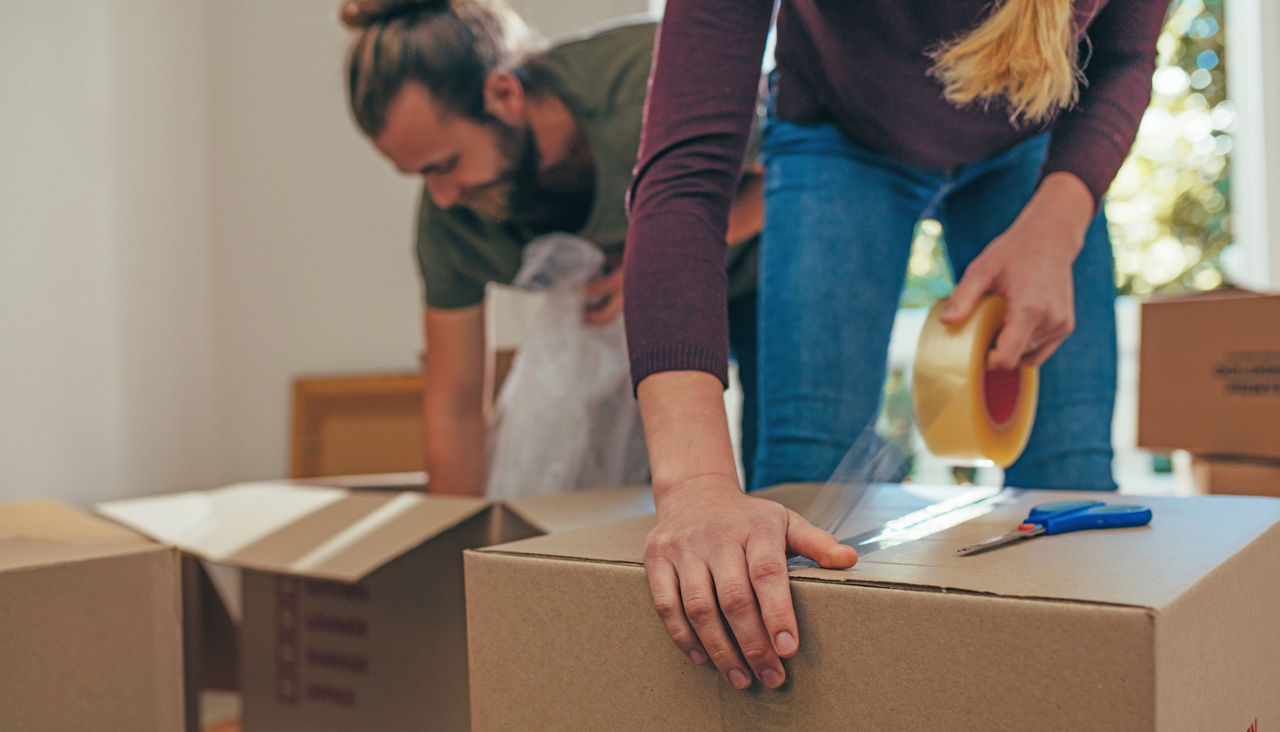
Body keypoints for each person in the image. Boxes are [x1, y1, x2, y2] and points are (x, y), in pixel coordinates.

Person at [623, 0, 1169, 690]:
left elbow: (1122, 57)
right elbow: (686, 174)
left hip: (1038, 134)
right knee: (804, 491)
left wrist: (1061, 220)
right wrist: (695, 484)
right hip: (839, 128)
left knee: (1072, 477)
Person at [340, 0, 763, 495]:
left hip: (754, 274)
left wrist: (654, 267)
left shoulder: (643, 88)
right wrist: (455, 551)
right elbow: (454, 407)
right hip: (632, 336)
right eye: (418, 175)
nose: (443, 195)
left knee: (778, 469)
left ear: (503, 94)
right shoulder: (450, 223)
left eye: (445, 164)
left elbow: (792, 175)